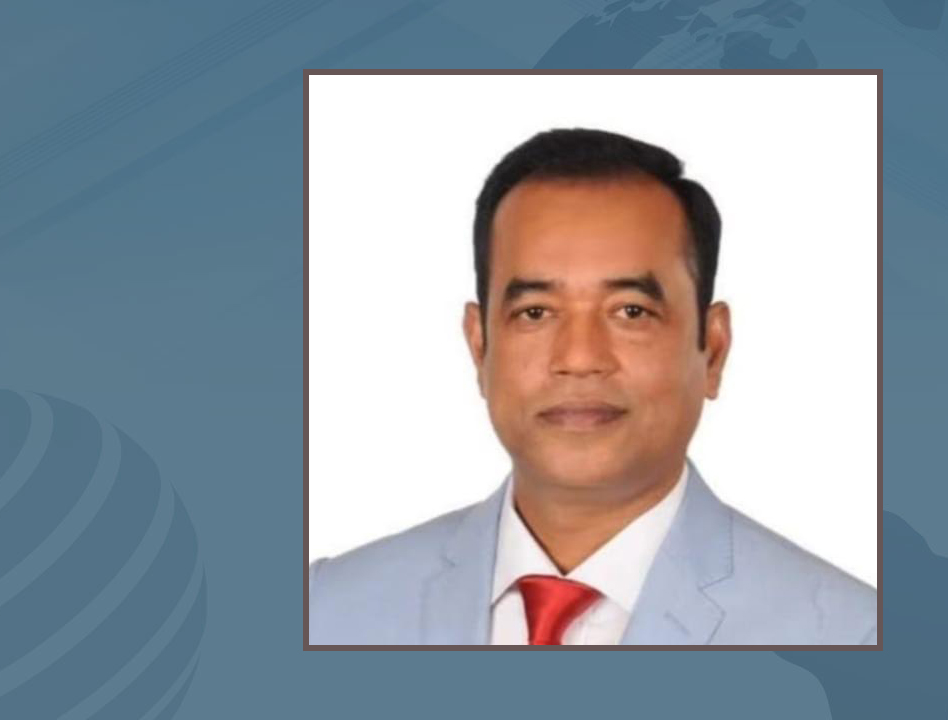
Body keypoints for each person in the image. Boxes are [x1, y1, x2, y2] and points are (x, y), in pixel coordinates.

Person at [309, 128, 876, 646]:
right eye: (535, 312)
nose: (579, 359)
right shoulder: (324, 611)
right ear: (479, 347)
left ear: (714, 348)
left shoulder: (849, 634)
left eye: (631, 311)